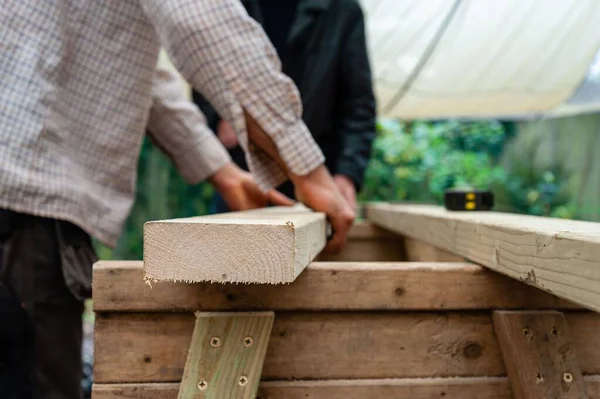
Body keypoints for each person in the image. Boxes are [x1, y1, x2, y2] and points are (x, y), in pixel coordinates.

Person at [0, 1, 355, 398]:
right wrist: (307, 169)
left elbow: (138, 74)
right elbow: (202, 20)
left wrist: (225, 174)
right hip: (22, 208)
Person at [194, 0, 377, 213]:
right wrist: (218, 117)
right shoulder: (224, 5)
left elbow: (359, 104)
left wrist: (347, 174)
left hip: (320, 173)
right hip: (245, 171)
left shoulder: (341, 10)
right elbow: (199, 69)